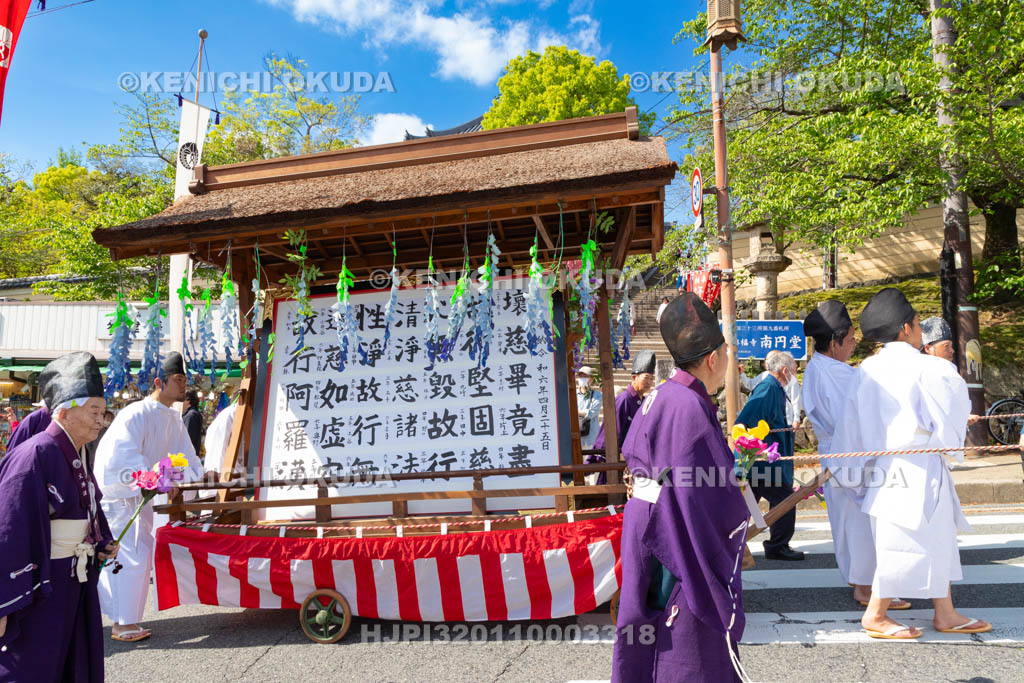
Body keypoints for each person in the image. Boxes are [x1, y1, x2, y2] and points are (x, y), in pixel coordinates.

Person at [837, 288, 990, 639]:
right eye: (919, 324)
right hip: (918, 465)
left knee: (931, 540)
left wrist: (853, 475)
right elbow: (950, 413)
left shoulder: (866, 369)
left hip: (884, 466)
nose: (920, 330)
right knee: (903, 543)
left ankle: (945, 611)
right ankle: (876, 613)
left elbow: (851, 427)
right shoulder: (929, 367)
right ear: (906, 328)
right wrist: (950, 443)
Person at [612, 293, 749, 681]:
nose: (730, 362)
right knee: (685, 630)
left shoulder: (660, 395)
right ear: (712, 359)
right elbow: (700, 492)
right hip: (671, 529)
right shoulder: (689, 406)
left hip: (646, 522)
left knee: (647, 622)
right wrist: (735, 498)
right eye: (727, 354)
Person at [0, 352, 118, 682]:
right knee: (33, 666)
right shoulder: (34, 454)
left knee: (71, 661)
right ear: (64, 412)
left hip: (73, 577)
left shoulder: (78, 452)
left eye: (103, 412)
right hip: (44, 582)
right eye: (94, 411)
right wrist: (4, 602)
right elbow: (8, 529)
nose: (100, 420)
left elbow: (89, 505)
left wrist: (101, 542)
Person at [802, 301, 910, 609]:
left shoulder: (818, 368)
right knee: (860, 522)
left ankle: (863, 582)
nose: (854, 344)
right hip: (849, 452)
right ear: (833, 342)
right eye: (849, 339)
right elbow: (851, 419)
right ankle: (866, 587)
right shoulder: (837, 374)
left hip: (838, 452)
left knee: (848, 521)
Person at [94, 352, 205, 643]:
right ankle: (121, 623)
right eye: (178, 379)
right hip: (121, 500)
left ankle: (123, 620)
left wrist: (180, 478)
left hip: (143, 499)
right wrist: (155, 478)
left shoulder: (173, 418)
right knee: (128, 558)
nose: (183, 385)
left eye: (184, 380)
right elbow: (120, 458)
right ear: (159, 382)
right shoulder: (135, 413)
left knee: (138, 557)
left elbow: (188, 459)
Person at [736, 350, 804, 561]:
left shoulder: (774, 388)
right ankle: (777, 546)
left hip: (762, 460)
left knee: (745, 506)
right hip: (764, 461)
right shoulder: (767, 388)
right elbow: (745, 421)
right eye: (794, 371)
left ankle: (729, 541)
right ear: (784, 370)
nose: (794, 375)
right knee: (785, 500)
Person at [587, 351, 656, 485]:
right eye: (646, 378)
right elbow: (611, 432)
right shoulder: (623, 400)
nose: (649, 382)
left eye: (651, 379)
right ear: (634, 377)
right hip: (619, 461)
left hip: (636, 463)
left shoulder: (644, 401)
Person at [576, 366, 603, 450]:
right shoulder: (572, 394)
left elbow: (592, 413)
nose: (582, 379)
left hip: (591, 437)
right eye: (581, 376)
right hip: (576, 437)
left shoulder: (597, 395)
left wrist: (575, 412)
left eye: (585, 376)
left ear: (591, 379)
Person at [182, 390, 203, 458]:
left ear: (188, 401)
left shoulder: (191, 415)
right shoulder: (193, 413)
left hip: (188, 456)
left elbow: (188, 438)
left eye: (182, 400)